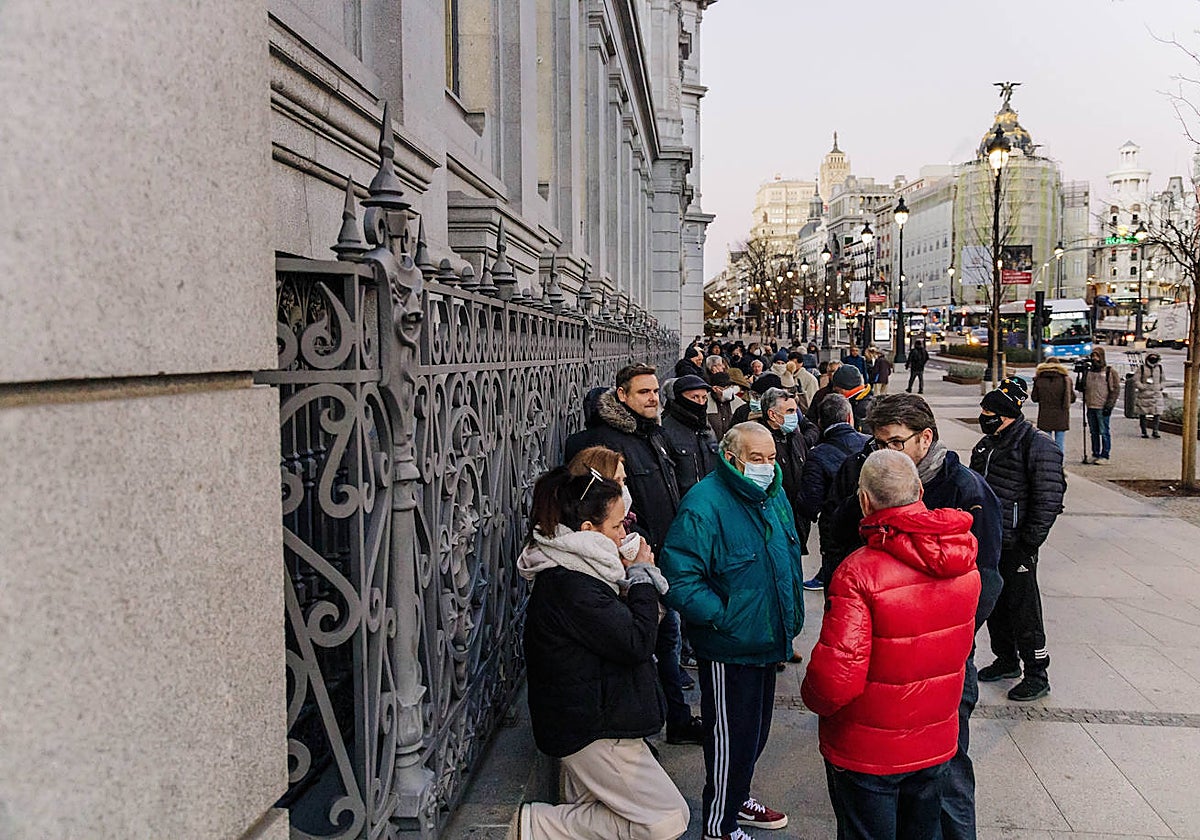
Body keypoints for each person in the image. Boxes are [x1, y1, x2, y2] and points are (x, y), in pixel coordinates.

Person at [816, 393, 1004, 840]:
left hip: (945, 657)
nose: (884, 453)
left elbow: (989, 577)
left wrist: (947, 633)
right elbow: (837, 540)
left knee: (947, 773)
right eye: (877, 443)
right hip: (877, 654)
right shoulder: (865, 476)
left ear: (926, 438)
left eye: (895, 443)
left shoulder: (966, 489)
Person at [513, 466, 689, 840]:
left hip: (600, 713)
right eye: (617, 526)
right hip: (594, 726)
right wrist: (640, 577)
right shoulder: (570, 582)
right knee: (666, 818)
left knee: (610, 814)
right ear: (588, 532)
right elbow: (636, 640)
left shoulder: (581, 568)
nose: (625, 533)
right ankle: (533, 827)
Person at [659, 423, 805, 840]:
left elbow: (788, 557)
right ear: (732, 457)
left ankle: (737, 798)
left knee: (754, 734)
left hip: (767, 639)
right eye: (756, 458)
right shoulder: (704, 503)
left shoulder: (774, 495)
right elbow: (680, 577)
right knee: (729, 738)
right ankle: (719, 826)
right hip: (729, 646)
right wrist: (722, 617)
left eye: (771, 457)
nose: (766, 466)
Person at [564, 364, 703, 745]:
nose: (654, 398)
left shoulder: (652, 435)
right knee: (647, 648)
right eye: (644, 392)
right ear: (622, 396)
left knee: (667, 642)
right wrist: (632, 553)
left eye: (656, 391)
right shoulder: (604, 444)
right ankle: (648, 726)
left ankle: (675, 718)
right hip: (628, 565)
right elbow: (600, 511)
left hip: (657, 559)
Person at [971, 377, 1066, 702]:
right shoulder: (987, 444)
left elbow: (1049, 497)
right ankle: (1006, 659)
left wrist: (1029, 542)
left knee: (1024, 608)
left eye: (988, 411)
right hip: (988, 541)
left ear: (1005, 413)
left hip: (1017, 544)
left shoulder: (1037, 445)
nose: (984, 416)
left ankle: (1037, 672)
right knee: (995, 604)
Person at [798, 395, 869, 592]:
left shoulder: (818, 455)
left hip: (836, 536)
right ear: (849, 418)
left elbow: (809, 505)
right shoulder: (870, 444)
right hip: (870, 530)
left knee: (839, 594)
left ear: (820, 422)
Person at [758, 387, 820, 554]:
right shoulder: (760, 442)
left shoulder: (796, 437)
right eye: (790, 411)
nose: (795, 416)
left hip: (798, 522)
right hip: (773, 521)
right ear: (772, 414)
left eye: (795, 410)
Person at [661, 374, 720, 496]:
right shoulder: (666, 430)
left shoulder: (707, 427)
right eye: (695, 397)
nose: (700, 402)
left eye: (704, 398)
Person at [1077, 347, 1120, 464]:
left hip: (1102, 406)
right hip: (1090, 405)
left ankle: (1105, 454)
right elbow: (1081, 387)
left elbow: (1115, 390)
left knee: (1104, 431)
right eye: (1093, 356)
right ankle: (1095, 453)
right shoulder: (1089, 371)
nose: (1094, 359)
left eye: (1097, 356)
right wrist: (1081, 374)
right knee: (1093, 432)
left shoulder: (1109, 372)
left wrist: (1109, 405)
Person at [1030, 360, 1075, 451]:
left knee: (1046, 441)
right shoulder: (1065, 379)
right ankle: (1059, 462)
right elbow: (1072, 398)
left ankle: (1047, 461)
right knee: (1059, 441)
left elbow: (1034, 398)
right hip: (1061, 414)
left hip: (1045, 414)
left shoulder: (1039, 379)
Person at [704, 355, 742, 440]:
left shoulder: (739, 403)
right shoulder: (704, 402)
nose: (726, 391)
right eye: (722, 388)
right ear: (714, 388)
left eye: (727, 387)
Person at [831, 364, 874, 433]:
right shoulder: (864, 400)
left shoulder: (862, 408)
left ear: (844, 388)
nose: (833, 388)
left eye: (836, 388)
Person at [1134, 352, 1165, 439]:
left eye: (1155, 357)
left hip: (1156, 394)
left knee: (1157, 413)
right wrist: (1142, 387)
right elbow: (1136, 380)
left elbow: (1163, 380)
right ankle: (1144, 431)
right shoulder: (1142, 368)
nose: (1153, 359)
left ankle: (1155, 430)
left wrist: (1160, 387)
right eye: (1151, 357)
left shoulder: (1159, 368)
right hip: (1144, 394)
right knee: (1143, 413)